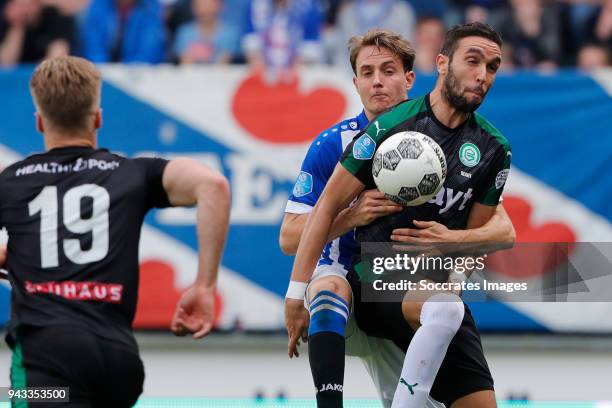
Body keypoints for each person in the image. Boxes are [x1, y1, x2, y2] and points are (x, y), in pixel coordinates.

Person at [282, 26, 514, 407]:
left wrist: (452, 255)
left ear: (409, 78)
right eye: (368, 74)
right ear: (354, 82)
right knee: (329, 288)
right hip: (363, 284)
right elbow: (296, 231)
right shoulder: (350, 140)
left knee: (446, 314)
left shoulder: (484, 147)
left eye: (388, 72)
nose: (377, 83)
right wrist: (351, 218)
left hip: (427, 294)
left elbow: (499, 230)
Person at [0, 56, 230, 407]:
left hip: (46, 357)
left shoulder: (12, 181)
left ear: (39, 123)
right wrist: (204, 286)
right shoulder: (130, 173)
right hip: (118, 360)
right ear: (97, 118)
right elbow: (214, 186)